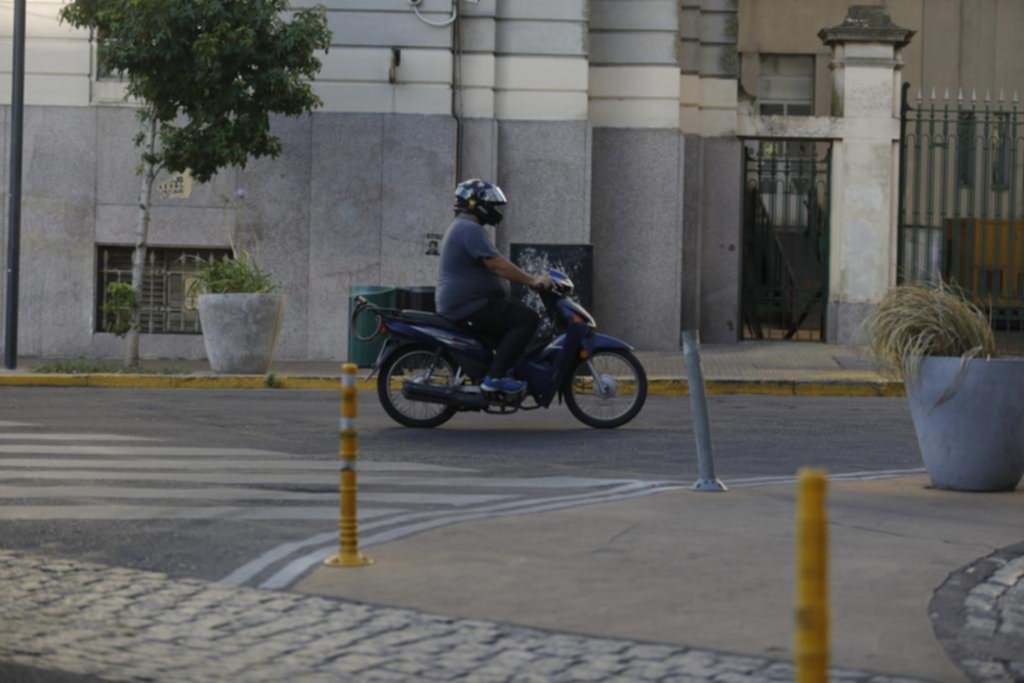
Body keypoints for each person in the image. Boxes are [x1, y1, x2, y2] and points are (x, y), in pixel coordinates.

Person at [436, 179, 552, 393]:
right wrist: (532, 280)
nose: (495, 210)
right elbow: (497, 265)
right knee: (527, 319)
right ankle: (495, 379)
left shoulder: (466, 227)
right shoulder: (469, 229)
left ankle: (503, 371)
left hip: (473, 304)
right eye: (492, 204)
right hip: (469, 307)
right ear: (475, 204)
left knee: (514, 324)